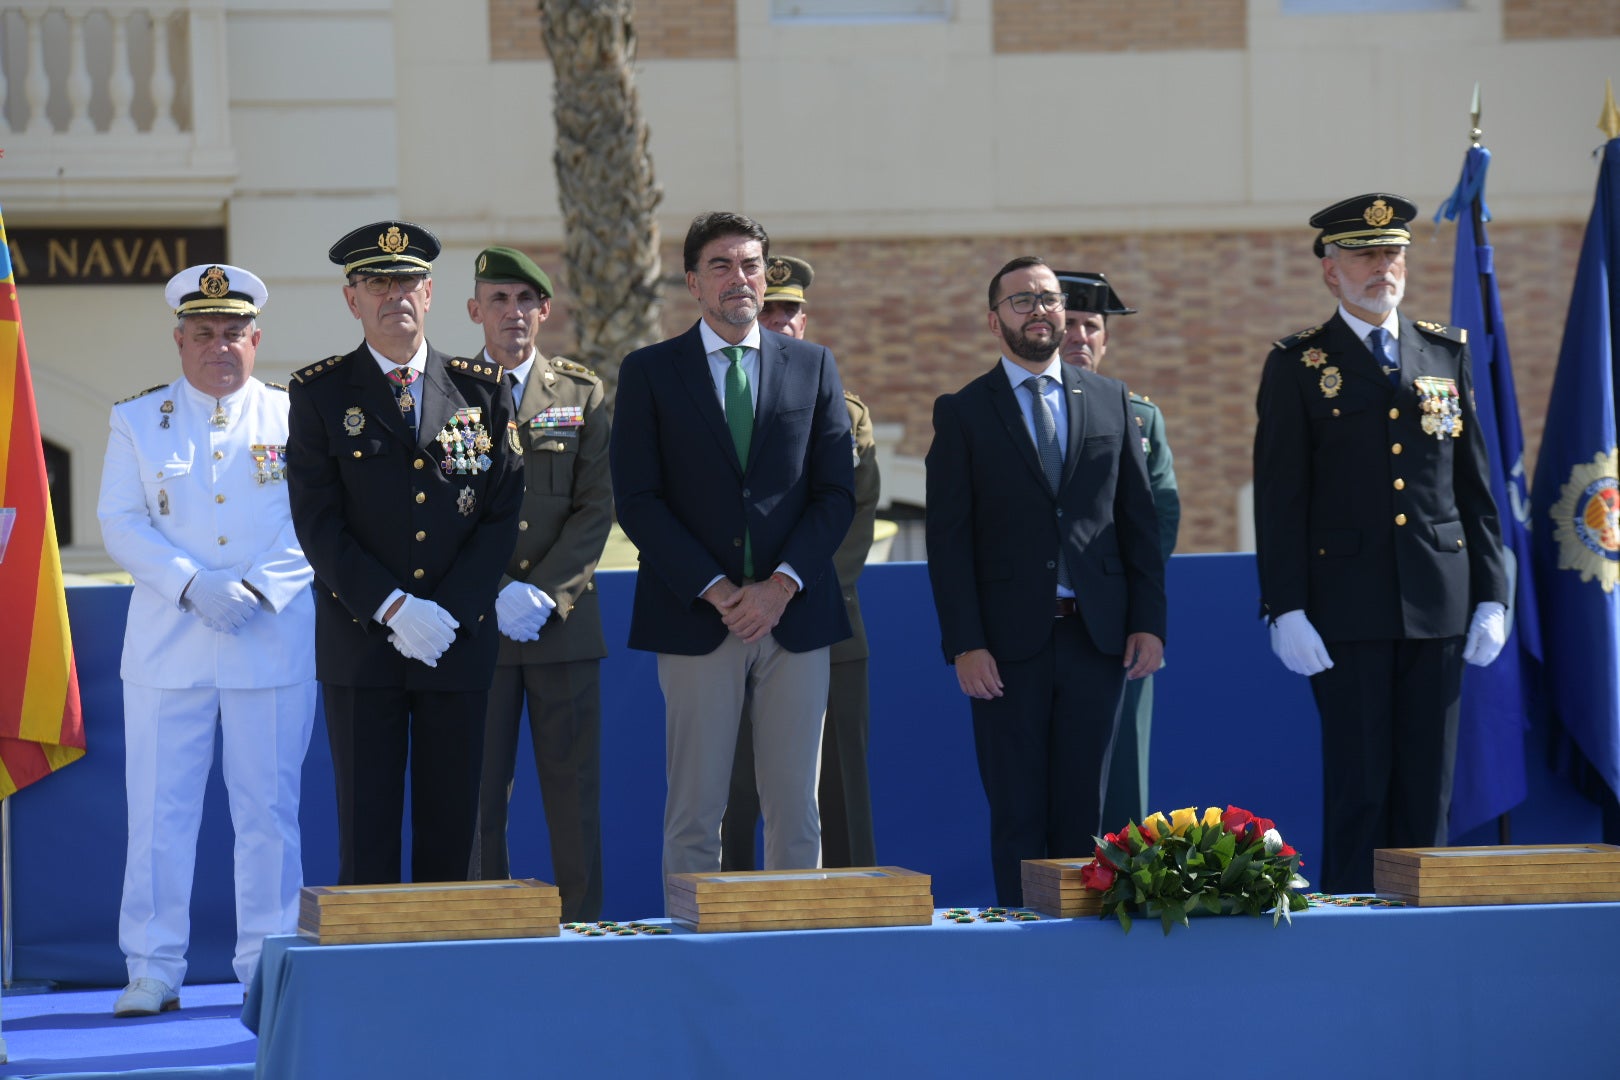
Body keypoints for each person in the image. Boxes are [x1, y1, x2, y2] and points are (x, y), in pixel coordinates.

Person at [1252, 193, 1509, 894]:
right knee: (1360, 786)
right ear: (1330, 270)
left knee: (1429, 788)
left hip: (1440, 602)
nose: (1381, 268)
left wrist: (1494, 594)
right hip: (1346, 608)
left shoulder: (1444, 352)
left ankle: (1425, 930)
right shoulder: (1299, 364)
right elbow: (1280, 500)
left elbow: (1475, 489)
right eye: (1364, 256)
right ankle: (1353, 930)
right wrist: (1285, 607)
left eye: (1392, 254)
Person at [610, 212, 854, 910]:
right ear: (693, 282)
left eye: (751, 265)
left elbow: (836, 493)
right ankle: (691, 951)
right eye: (721, 265)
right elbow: (639, 500)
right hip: (697, 618)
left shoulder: (812, 365)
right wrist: (717, 589)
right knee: (695, 810)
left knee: (795, 809)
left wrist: (780, 586)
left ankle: (792, 947)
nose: (739, 278)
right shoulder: (650, 372)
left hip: (794, 617)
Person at [98, 264, 316, 1015]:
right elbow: (120, 522)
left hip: (270, 638)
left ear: (256, 339)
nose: (219, 345)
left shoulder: (295, 416)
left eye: (233, 332)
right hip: (169, 647)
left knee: (269, 815)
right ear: (180, 340)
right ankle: (153, 968)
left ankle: (267, 965)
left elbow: (318, 520)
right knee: (159, 814)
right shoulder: (138, 419)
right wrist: (192, 583)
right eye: (204, 333)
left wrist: (254, 589)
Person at [285, 221, 523, 886]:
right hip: (362, 643)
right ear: (351, 298)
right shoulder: (321, 393)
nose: (395, 295)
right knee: (367, 833)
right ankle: (372, 955)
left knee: (453, 831)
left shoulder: (481, 389)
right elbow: (318, 522)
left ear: (430, 292)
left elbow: (502, 510)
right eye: (377, 283)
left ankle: (447, 954)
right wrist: (391, 607)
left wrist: (451, 611)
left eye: (408, 281)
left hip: (456, 639)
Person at [925, 256, 1166, 906]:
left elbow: (1138, 523)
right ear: (994, 320)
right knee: (1018, 811)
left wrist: (1149, 623)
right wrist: (965, 644)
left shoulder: (1112, 399)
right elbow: (948, 542)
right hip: (1006, 650)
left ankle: (1079, 939)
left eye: (1049, 299)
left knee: (1085, 811)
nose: (1039, 311)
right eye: (1022, 300)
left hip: (1096, 639)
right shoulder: (964, 412)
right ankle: (1022, 937)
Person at [466, 246, 612, 923]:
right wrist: (494, 589)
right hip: (478, 627)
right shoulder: (447, 392)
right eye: (499, 299)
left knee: (573, 794)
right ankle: (482, 928)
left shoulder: (582, 393)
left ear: (545, 311)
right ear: (475, 310)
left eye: (526, 300)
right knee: (476, 795)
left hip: (563, 627)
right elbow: (441, 513)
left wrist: (544, 592)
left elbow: (595, 508)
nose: (513, 312)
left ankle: (581, 927)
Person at [721, 254, 881, 870]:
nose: (781, 322)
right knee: (733, 789)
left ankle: (848, 911)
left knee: (838, 789)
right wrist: (747, 600)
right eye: (770, 311)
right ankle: (727, 911)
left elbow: (852, 518)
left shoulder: (843, 409)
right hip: (735, 621)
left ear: (804, 323)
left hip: (824, 619)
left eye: (791, 312)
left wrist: (789, 591)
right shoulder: (718, 397)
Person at [1054, 270, 1179, 830]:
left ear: (1105, 340)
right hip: (1039, 619)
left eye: (1092, 326)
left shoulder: (1139, 416)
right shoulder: (1010, 409)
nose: (1080, 336)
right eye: (1070, 323)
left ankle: (1119, 878)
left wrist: (1124, 598)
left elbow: (1160, 516)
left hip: (1117, 622)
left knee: (1122, 774)